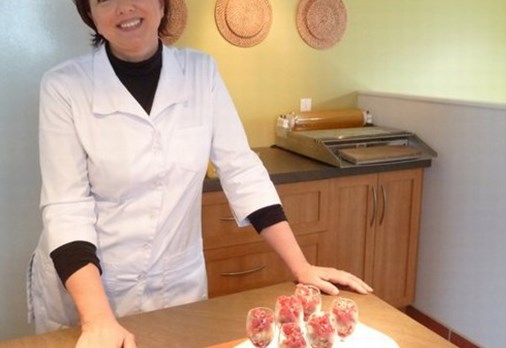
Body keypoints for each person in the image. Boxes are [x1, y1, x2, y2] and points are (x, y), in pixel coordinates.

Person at [28, 0, 373, 347]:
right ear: (91, 14)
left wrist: (302, 267)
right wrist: (97, 319)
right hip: (92, 288)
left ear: (163, 5)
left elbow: (241, 169)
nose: (124, 7)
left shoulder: (200, 72)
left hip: (176, 282)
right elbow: (66, 206)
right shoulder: (64, 86)